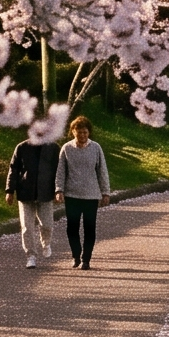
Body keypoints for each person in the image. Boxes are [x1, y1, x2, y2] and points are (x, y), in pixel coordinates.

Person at [56, 115, 110, 269]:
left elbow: (102, 171)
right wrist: (59, 190)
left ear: (89, 132)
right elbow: (61, 171)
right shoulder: (66, 148)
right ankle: (76, 255)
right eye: (79, 132)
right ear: (73, 132)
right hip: (72, 195)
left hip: (91, 195)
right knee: (72, 228)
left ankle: (86, 259)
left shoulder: (96, 148)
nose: (82, 135)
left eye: (85, 132)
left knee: (89, 228)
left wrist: (105, 192)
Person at [3, 131, 62, 269]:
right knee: (27, 227)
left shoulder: (53, 148)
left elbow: (59, 171)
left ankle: (46, 243)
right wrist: (9, 190)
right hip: (25, 193)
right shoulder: (22, 147)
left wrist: (58, 190)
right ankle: (31, 256)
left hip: (46, 193)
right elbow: (13, 169)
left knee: (47, 224)